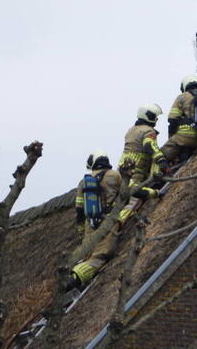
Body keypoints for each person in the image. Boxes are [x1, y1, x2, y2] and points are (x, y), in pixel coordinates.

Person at [69, 150, 122, 289]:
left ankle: (74, 274)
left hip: (90, 223)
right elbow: (127, 194)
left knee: (87, 253)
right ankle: (75, 279)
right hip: (108, 221)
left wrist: (81, 229)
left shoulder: (84, 182)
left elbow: (79, 209)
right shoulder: (115, 175)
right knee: (101, 255)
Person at [119, 103, 169, 203]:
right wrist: (161, 161)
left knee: (125, 194)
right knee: (133, 195)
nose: (156, 119)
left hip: (123, 169)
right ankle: (155, 186)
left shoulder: (131, 130)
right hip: (137, 170)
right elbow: (149, 145)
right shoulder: (148, 130)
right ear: (148, 116)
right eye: (155, 116)